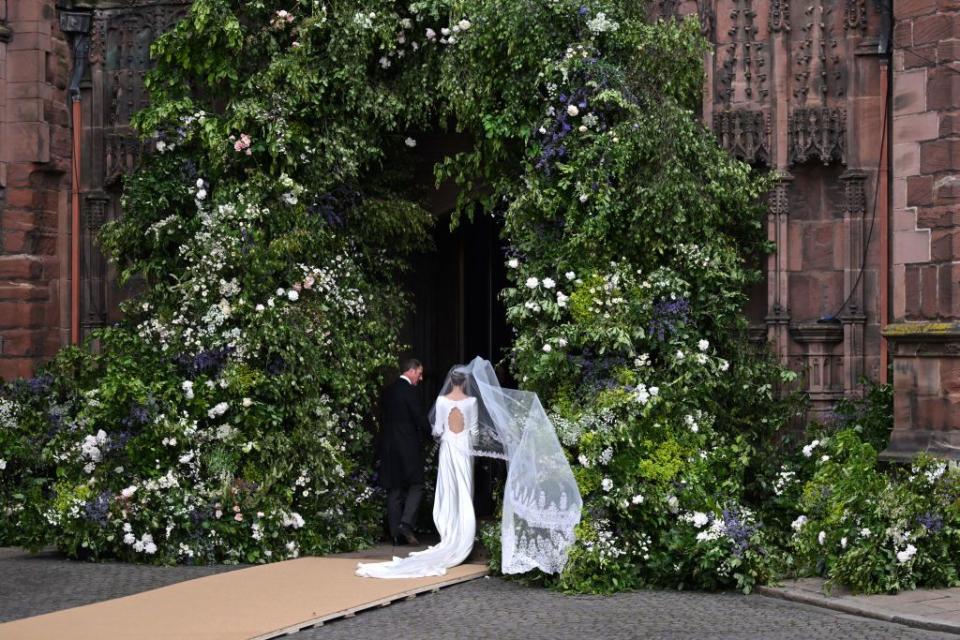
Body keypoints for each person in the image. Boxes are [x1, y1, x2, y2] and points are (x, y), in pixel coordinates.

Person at [357, 357, 582, 579]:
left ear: (451, 381)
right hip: (462, 449)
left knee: (438, 490)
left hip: (438, 449)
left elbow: (436, 430)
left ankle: (424, 532)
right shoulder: (471, 403)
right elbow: (473, 431)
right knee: (462, 489)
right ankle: (458, 532)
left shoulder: (434, 400)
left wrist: (439, 435)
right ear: (464, 382)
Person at [378, 358, 430, 546]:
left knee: (395, 488)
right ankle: (406, 524)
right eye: (420, 373)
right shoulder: (410, 391)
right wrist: (432, 434)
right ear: (411, 371)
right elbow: (420, 419)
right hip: (408, 447)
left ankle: (395, 535)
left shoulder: (387, 391)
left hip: (389, 448)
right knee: (417, 484)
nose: (421, 378)